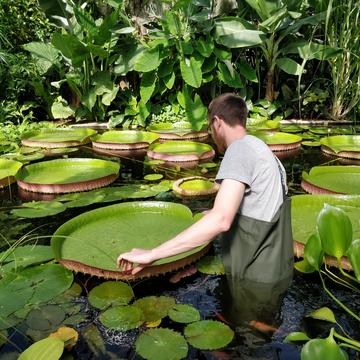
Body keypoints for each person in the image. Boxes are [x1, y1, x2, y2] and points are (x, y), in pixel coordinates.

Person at [117, 93, 293, 284]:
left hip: (255, 278)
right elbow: (259, 207)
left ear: (217, 122)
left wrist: (153, 253)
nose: (211, 134)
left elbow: (221, 220)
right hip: (277, 268)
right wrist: (207, 214)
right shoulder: (261, 148)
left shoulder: (239, 150)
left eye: (210, 127)